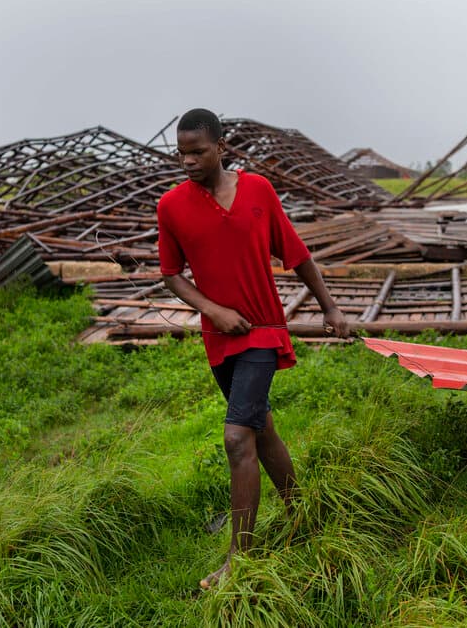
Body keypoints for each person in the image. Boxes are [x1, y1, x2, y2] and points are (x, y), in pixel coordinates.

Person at [156, 108, 352, 590]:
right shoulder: (171, 207)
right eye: (181, 153)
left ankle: (237, 563)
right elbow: (171, 274)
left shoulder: (259, 192)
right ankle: (302, 511)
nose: (188, 161)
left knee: (236, 438)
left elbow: (297, 253)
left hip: (262, 330)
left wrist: (330, 309)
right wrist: (213, 310)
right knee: (260, 430)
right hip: (219, 338)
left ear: (222, 146)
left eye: (197, 152)